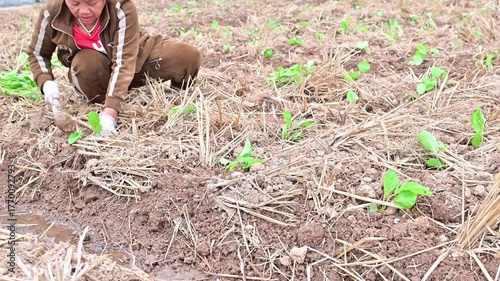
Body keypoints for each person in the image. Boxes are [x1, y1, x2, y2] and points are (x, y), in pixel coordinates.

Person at [26, 0, 202, 135]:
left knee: (187, 56)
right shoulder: (52, 13)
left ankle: (174, 95)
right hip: (95, 71)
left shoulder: (121, 7)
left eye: (92, 2)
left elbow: (124, 60)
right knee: (85, 65)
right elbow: (37, 53)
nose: (84, 11)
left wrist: (110, 113)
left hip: (135, 60)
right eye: (75, 3)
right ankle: (103, 98)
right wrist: (46, 82)